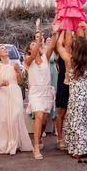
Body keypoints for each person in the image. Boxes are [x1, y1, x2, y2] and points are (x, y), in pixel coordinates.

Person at [57, 30, 87, 159]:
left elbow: (59, 46)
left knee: (76, 121)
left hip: (77, 94)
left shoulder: (70, 60)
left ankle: (78, 149)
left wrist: (62, 30)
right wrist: (86, 28)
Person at [0, 45, 33, 155]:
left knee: (15, 116)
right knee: (3, 119)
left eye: (5, 48)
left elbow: (20, 82)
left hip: (15, 91)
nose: (5, 50)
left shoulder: (14, 64)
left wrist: (18, 71)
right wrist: (1, 84)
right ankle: (4, 143)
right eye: (2, 49)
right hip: (2, 93)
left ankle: (15, 143)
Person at [24, 26, 59, 160]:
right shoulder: (27, 60)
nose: (35, 45)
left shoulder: (46, 56)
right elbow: (33, 55)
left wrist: (55, 32)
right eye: (32, 44)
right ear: (29, 49)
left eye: (36, 44)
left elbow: (53, 45)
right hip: (35, 91)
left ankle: (38, 139)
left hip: (46, 91)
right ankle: (36, 148)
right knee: (38, 116)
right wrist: (38, 40)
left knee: (44, 119)